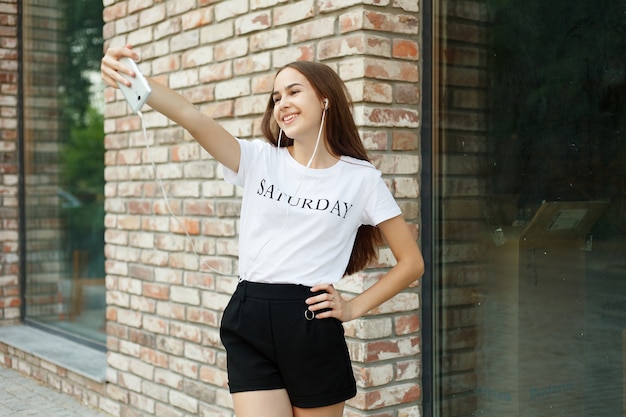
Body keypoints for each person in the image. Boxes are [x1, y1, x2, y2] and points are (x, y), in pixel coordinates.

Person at [101, 45, 424, 417]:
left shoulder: (361, 180)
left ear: (325, 99)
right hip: (249, 315)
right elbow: (191, 116)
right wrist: (132, 77)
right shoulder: (258, 159)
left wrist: (352, 307)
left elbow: (411, 262)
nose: (281, 102)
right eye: (275, 97)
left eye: (293, 91)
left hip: (310, 323)